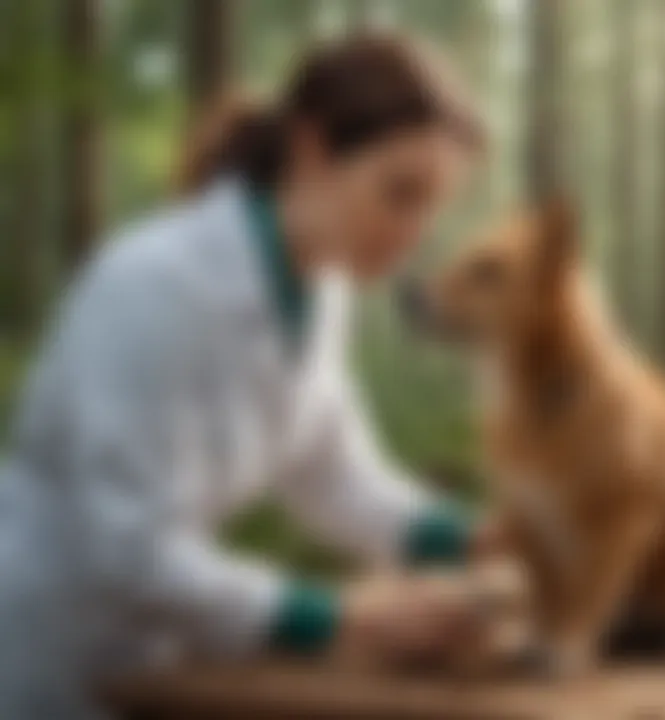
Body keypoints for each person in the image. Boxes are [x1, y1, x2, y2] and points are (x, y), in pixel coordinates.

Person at [0, 33, 485, 719]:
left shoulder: (321, 291)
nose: (414, 232)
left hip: (151, 659)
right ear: (312, 148)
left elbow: (331, 473)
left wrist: (481, 538)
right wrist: (345, 618)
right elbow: (127, 547)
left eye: (432, 206)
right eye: (399, 193)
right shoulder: (153, 285)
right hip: (39, 644)